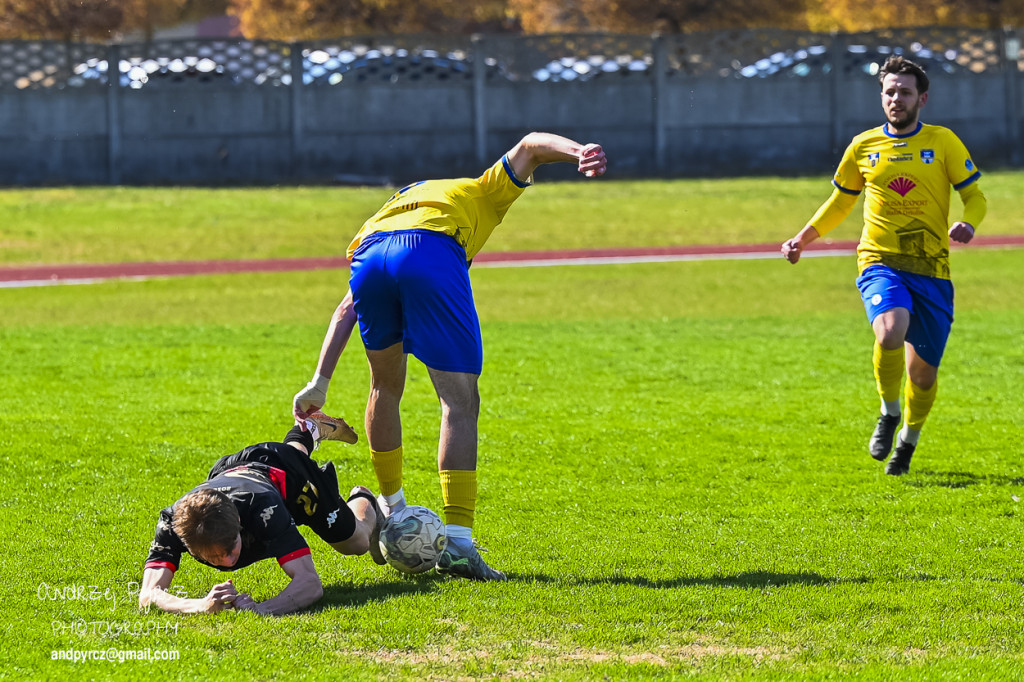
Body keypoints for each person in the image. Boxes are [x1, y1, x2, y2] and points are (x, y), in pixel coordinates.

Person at [293, 132, 608, 581]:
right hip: (431, 252)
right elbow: (533, 145)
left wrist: (319, 382)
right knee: (458, 402)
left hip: (369, 257)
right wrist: (581, 152)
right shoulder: (482, 190)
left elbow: (347, 307)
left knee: (384, 386)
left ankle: (391, 507)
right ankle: (458, 541)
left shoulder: (392, 209)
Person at [781, 55, 986, 476]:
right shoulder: (863, 146)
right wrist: (803, 237)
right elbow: (840, 202)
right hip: (880, 260)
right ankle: (888, 413)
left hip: (931, 269)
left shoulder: (943, 141)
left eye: (905, 92)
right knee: (890, 330)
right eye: (889, 91)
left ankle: (908, 441)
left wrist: (969, 221)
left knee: (923, 376)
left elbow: (975, 195)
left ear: (922, 98)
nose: (896, 98)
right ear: (881, 96)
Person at [138, 411, 385, 615]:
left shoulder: (264, 510)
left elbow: (310, 584)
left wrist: (261, 609)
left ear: (238, 521)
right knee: (287, 455)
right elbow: (148, 595)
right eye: (212, 557)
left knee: (357, 542)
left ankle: (364, 498)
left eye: (229, 549)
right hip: (235, 469)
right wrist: (199, 605)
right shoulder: (173, 522)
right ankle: (308, 429)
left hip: (290, 482)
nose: (226, 561)